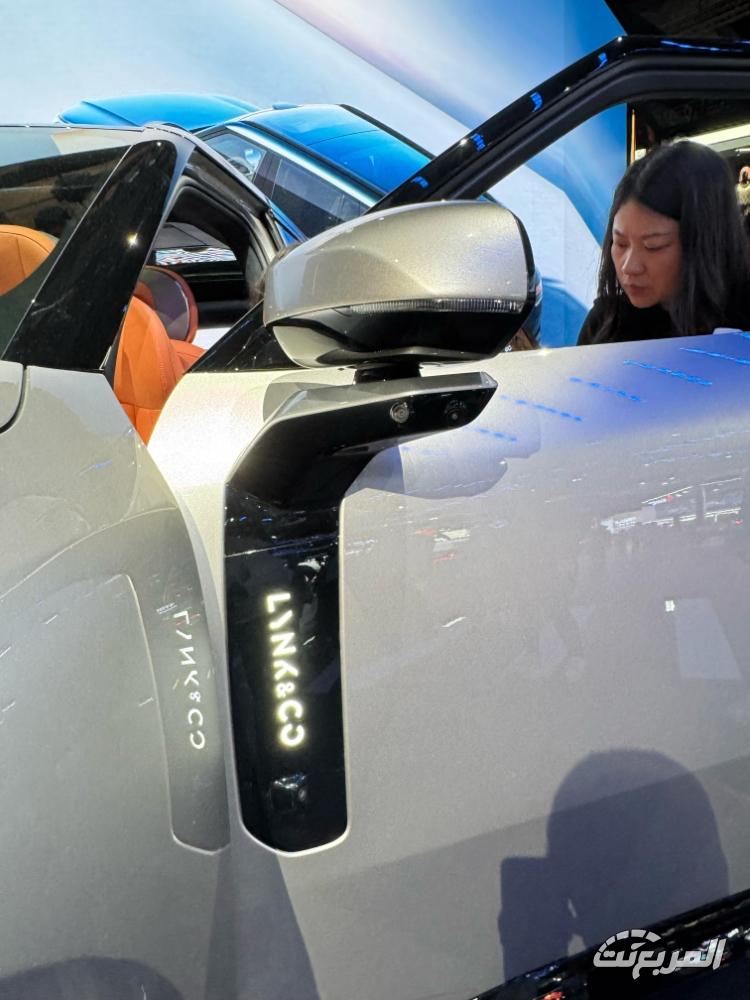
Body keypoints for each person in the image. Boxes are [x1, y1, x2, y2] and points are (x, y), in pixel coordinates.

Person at [578, 141, 750, 345]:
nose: (629, 267)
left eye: (653, 246)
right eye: (620, 243)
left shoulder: (739, 322)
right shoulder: (606, 325)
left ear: (704, 244)